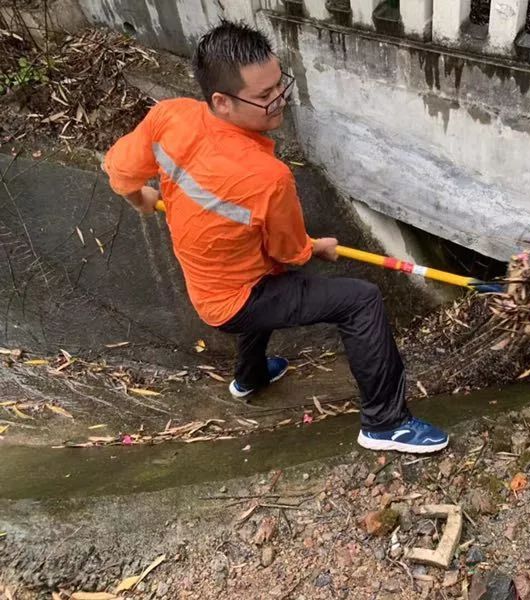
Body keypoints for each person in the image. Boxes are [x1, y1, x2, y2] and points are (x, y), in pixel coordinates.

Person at [103, 20, 448, 454]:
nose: (278, 99)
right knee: (360, 301)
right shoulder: (268, 177)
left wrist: (139, 199)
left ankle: (250, 378)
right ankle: (386, 423)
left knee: (264, 278)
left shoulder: (169, 116)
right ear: (221, 102)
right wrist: (315, 248)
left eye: (278, 85)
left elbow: (118, 170)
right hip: (238, 296)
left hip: (209, 288)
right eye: (264, 97)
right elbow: (291, 253)